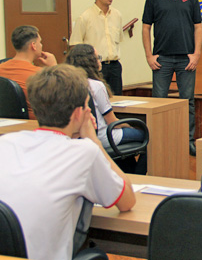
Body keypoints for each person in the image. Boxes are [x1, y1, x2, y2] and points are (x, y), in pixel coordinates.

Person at [0, 64, 136, 260]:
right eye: (87, 106)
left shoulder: (6, 143)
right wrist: (94, 141)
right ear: (78, 114)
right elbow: (127, 201)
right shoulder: (84, 152)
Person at [142, 0, 202, 155]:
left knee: (188, 101)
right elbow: (145, 27)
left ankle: (188, 142)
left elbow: (198, 27)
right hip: (162, 60)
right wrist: (149, 55)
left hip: (186, 59)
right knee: (159, 102)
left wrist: (196, 54)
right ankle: (159, 141)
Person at [66, 44, 147, 174]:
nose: (100, 61)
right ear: (90, 62)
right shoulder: (96, 86)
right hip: (104, 135)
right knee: (149, 136)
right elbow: (112, 121)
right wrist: (130, 127)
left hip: (78, 137)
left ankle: (126, 171)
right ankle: (139, 176)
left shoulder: (67, 84)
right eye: (98, 58)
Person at [69, 0, 125, 95]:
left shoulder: (117, 15)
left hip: (114, 66)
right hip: (95, 68)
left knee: (117, 101)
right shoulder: (85, 17)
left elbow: (118, 40)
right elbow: (75, 45)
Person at [0, 25, 57, 119]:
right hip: (34, 125)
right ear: (33, 45)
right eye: (40, 42)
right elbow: (64, 98)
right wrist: (54, 68)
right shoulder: (40, 75)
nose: (41, 45)